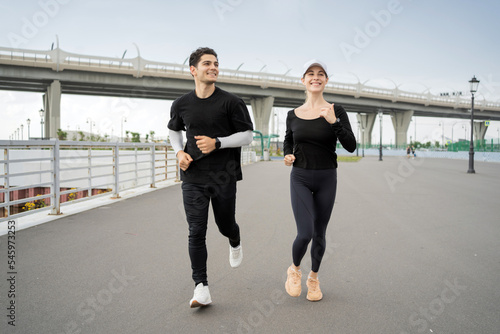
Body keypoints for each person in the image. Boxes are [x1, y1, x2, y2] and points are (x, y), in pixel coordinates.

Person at [167, 47, 254, 308]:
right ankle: (201, 286)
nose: (213, 67)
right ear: (193, 70)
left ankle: (234, 239)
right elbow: (174, 130)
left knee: (225, 225)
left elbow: (247, 136)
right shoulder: (181, 104)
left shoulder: (231, 102)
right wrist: (179, 151)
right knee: (196, 231)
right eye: (207, 63)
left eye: (216, 63)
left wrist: (217, 143)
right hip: (193, 176)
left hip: (224, 176)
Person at [283, 59, 356, 301]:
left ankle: (313, 279)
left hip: (327, 177)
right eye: (311, 74)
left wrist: (333, 122)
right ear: (303, 81)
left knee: (320, 233)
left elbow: (351, 146)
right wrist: (287, 153)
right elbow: (288, 140)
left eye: (321, 74)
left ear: (326, 81)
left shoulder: (337, 111)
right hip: (301, 177)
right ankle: (294, 270)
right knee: (305, 233)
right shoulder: (292, 115)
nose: (316, 77)